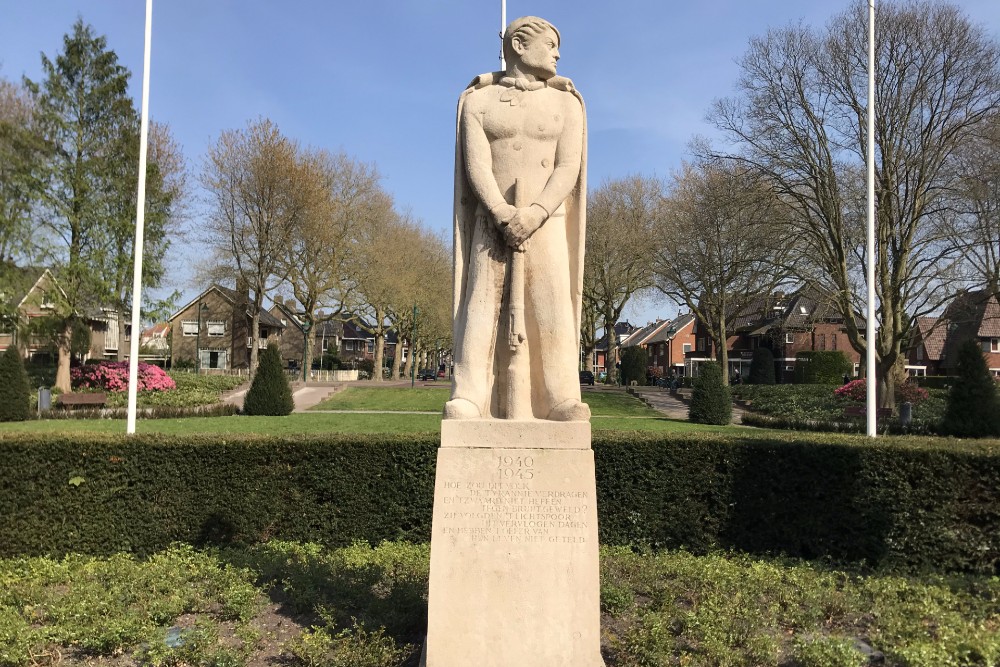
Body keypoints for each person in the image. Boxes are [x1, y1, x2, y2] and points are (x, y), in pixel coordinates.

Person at [445, 16, 589, 421]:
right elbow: (476, 165)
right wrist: (502, 212)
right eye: (552, 43)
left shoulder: (566, 104)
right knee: (480, 304)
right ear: (520, 45)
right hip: (493, 220)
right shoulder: (479, 102)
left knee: (553, 305)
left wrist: (536, 213)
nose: (558, 53)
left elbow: (568, 168)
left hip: (547, 219)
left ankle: (560, 396)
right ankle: (470, 395)